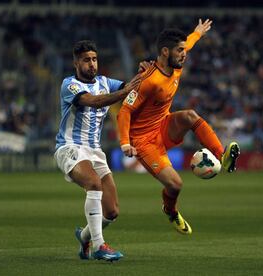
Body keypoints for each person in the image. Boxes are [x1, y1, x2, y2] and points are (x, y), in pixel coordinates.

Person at [117, 19, 240, 235]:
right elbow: (124, 111)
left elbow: (189, 43)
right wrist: (125, 143)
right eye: (180, 50)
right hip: (144, 141)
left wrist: (198, 32)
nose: (184, 54)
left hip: (163, 125)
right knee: (175, 185)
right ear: (165, 52)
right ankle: (171, 211)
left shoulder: (175, 62)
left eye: (184, 50)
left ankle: (222, 156)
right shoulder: (148, 80)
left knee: (190, 115)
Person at [54, 40, 142, 261]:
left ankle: (84, 237)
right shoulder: (69, 85)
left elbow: (131, 88)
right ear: (76, 63)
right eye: (86, 60)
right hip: (70, 147)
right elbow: (93, 101)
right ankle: (99, 246)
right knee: (94, 183)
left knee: (111, 211)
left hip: (95, 151)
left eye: (94, 59)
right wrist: (127, 92)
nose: (92, 64)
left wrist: (144, 76)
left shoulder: (105, 81)